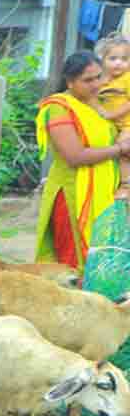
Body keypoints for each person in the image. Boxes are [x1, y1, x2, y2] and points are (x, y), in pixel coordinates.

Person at [36, 51, 130, 273]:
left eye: (99, 77)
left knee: (104, 259)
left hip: (104, 193)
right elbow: (75, 156)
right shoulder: (58, 107)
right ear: (70, 81)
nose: (96, 84)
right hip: (73, 195)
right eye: (88, 80)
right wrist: (119, 149)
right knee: (74, 265)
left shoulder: (97, 104)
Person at [96, 35, 130, 190]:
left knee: (122, 149)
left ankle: (124, 186)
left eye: (124, 59)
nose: (119, 63)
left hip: (126, 125)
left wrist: (111, 115)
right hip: (111, 125)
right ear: (102, 60)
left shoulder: (127, 78)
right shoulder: (102, 79)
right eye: (113, 58)